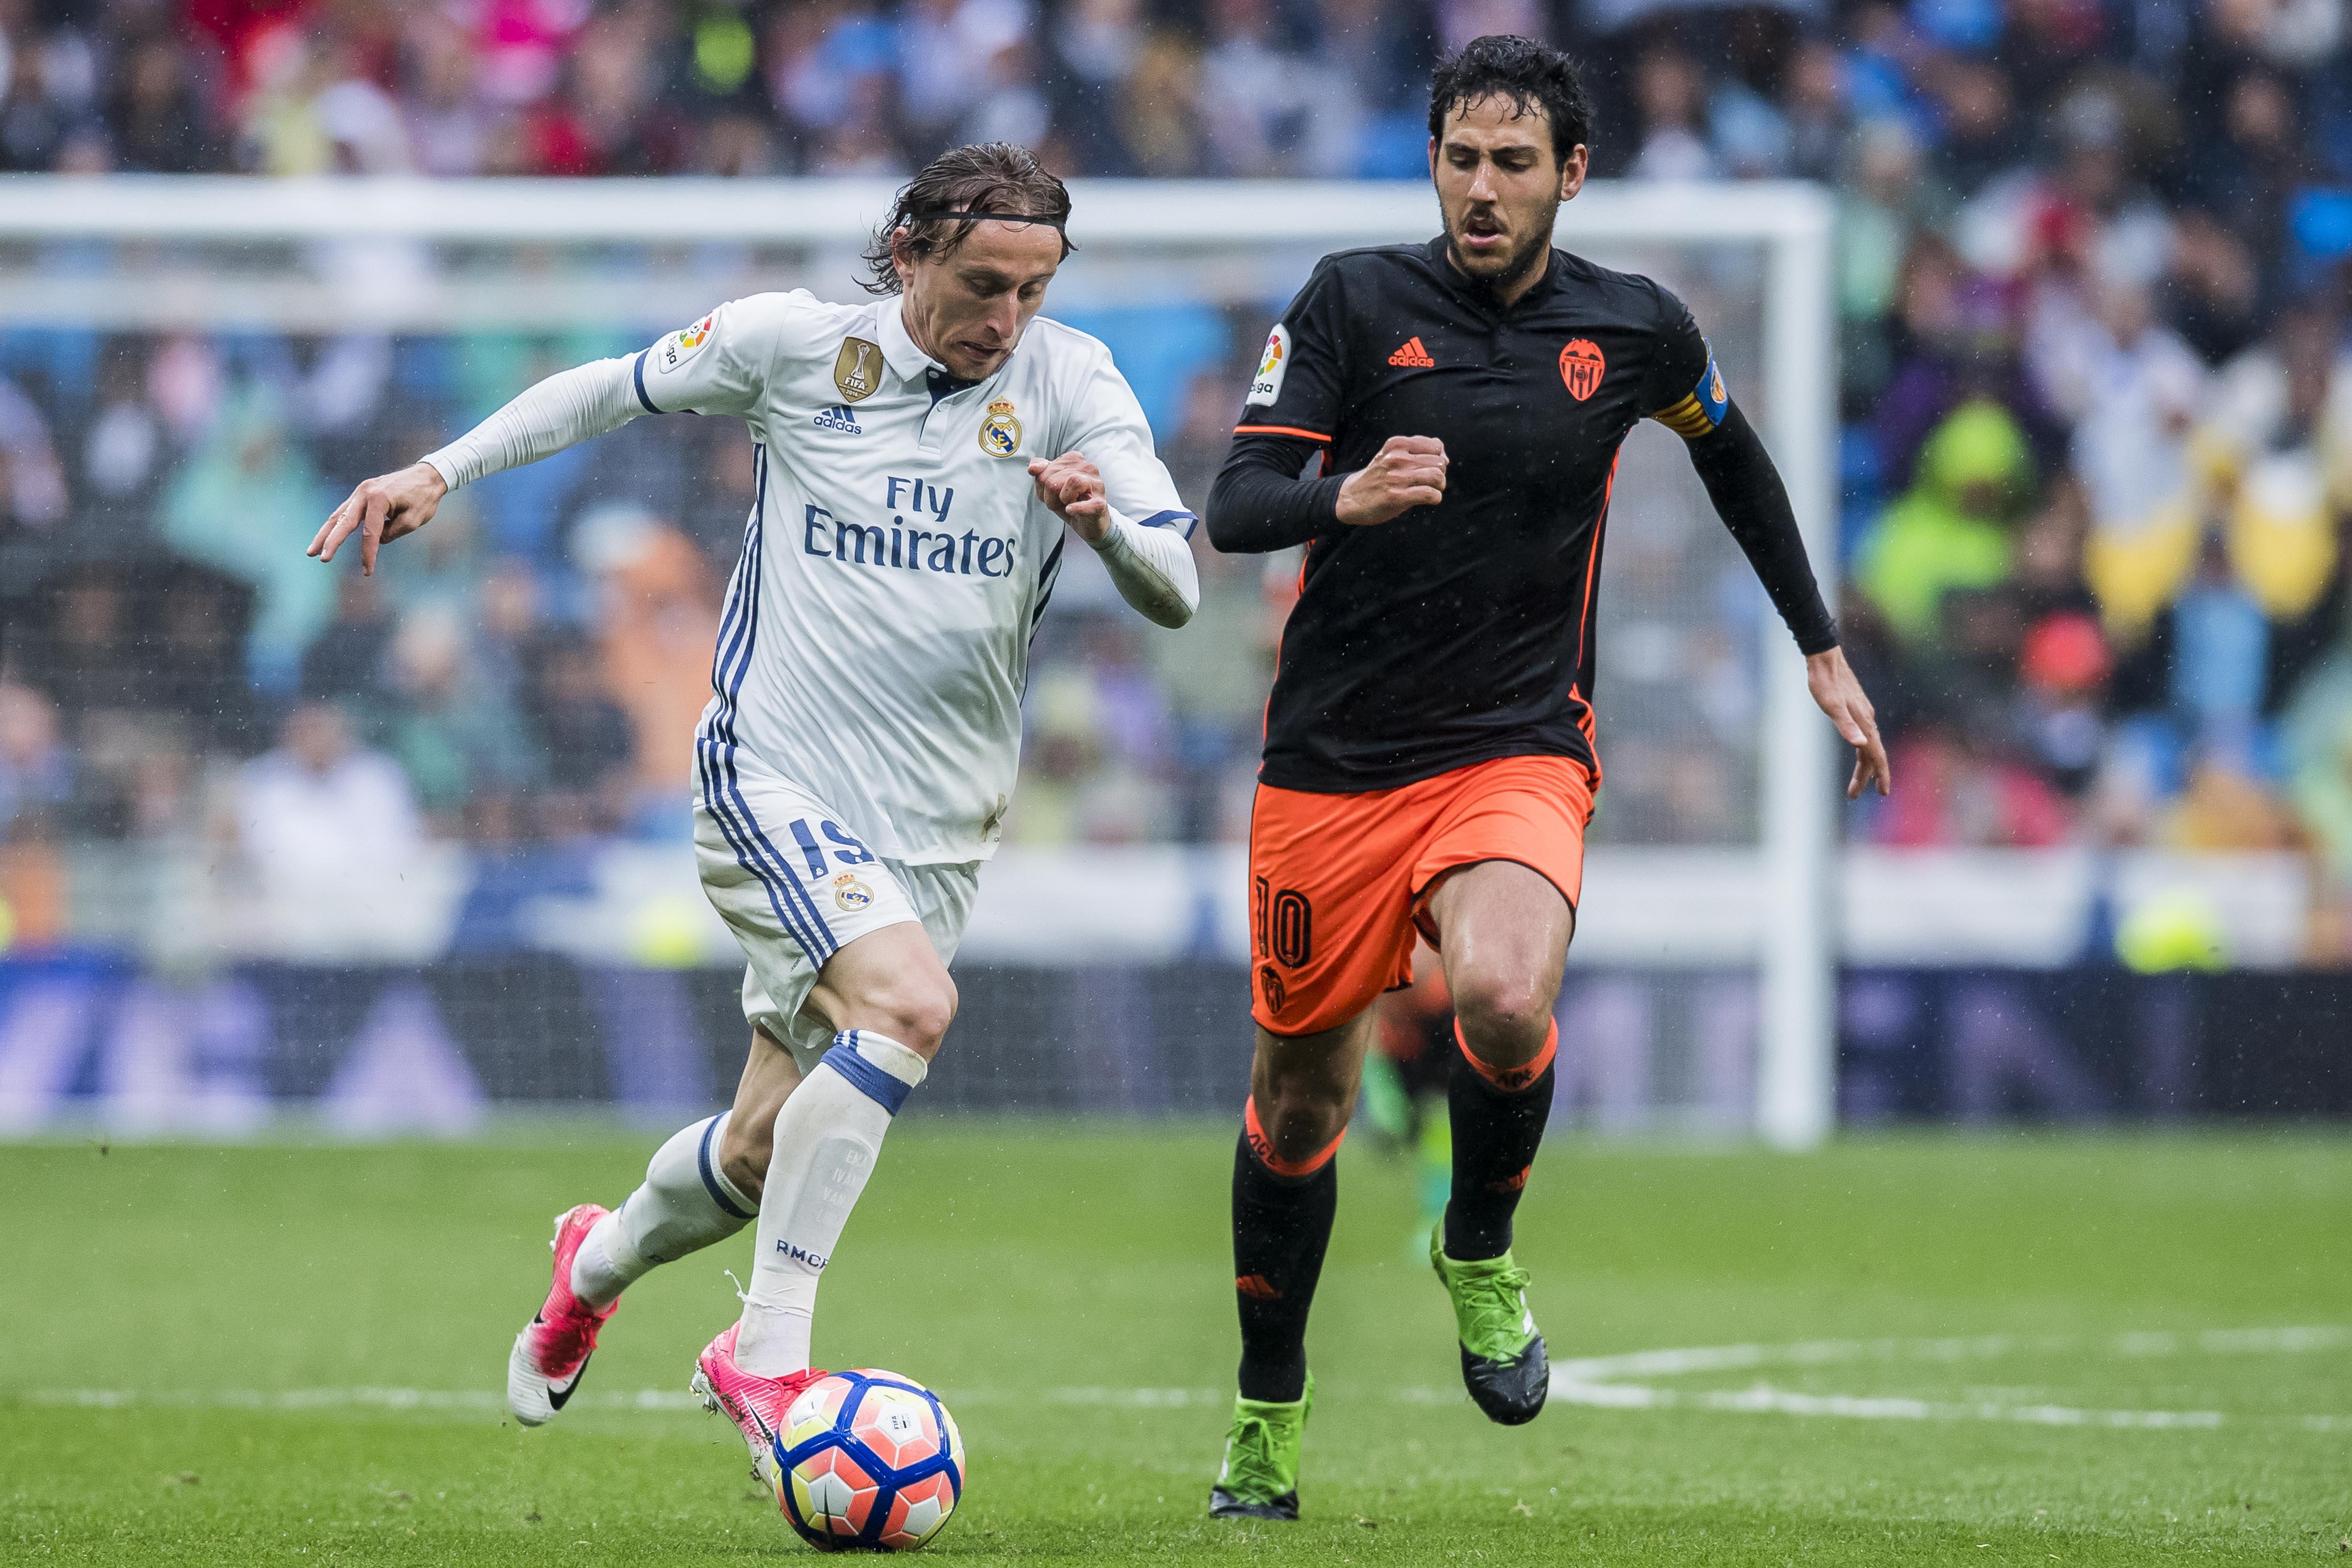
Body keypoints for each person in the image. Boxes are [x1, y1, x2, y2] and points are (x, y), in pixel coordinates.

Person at [306, 143, 1199, 1500]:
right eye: (979, 285)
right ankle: (766, 1352)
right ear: (909, 253)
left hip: (941, 822)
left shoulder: (1071, 380)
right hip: (769, 776)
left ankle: (590, 1268)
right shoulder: (794, 348)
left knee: (762, 1141)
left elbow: (1178, 586)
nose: (1002, 320)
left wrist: (1109, 528)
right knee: (909, 1008)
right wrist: (443, 470)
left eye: (1030, 290)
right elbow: (608, 390)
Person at [1198, 36, 1892, 1520]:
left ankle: (1480, 1246)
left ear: (1572, 174)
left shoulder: (1632, 329)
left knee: (1508, 996)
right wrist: (1350, 491)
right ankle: (1267, 1409)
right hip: (1331, 767)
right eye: (1461, 159)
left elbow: (1739, 463)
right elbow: (1239, 505)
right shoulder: (1347, 301)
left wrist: (1820, 649)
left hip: (1516, 745)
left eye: (1515, 164)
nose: (1483, 189)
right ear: (1434, 162)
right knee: (1302, 1110)